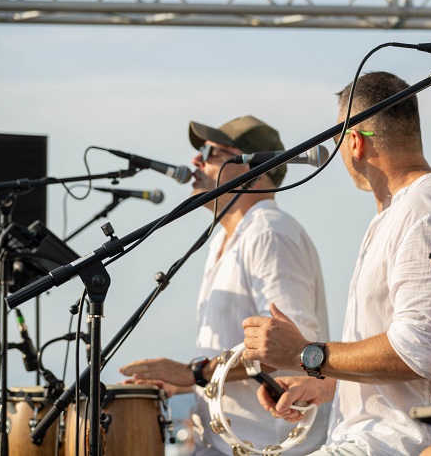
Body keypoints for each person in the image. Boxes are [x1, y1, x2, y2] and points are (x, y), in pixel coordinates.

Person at [240, 71, 431, 456]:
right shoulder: (404, 212)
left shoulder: (427, 212)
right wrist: (326, 381)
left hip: (404, 445)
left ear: (355, 143)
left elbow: (420, 351)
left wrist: (307, 354)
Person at [120, 115, 330, 455]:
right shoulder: (226, 238)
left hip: (268, 446)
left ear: (257, 169)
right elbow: (237, 354)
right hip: (231, 443)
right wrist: (183, 383)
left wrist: (195, 373)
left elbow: (292, 347)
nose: (196, 160)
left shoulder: (269, 232)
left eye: (212, 151)